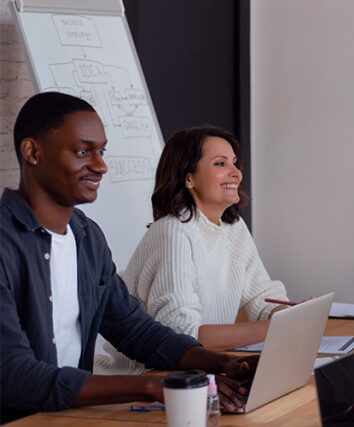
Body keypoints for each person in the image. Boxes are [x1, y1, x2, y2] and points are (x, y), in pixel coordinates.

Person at [0, 92, 254, 422]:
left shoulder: (87, 237)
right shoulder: (5, 242)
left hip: (68, 417)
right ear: (33, 152)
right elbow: (14, 375)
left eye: (101, 151)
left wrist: (224, 364)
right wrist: (150, 387)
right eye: (82, 151)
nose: (101, 165)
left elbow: (135, 330)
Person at [95, 126, 293, 374]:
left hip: (205, 372)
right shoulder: (173, 231)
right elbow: (182, 336)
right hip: (143, 381)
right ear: (189, 178)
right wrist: (274, 328)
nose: (236, 173)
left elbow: (262, 296)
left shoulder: (234, 227)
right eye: (221, 164)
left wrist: (286, 315)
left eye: (235, 163)